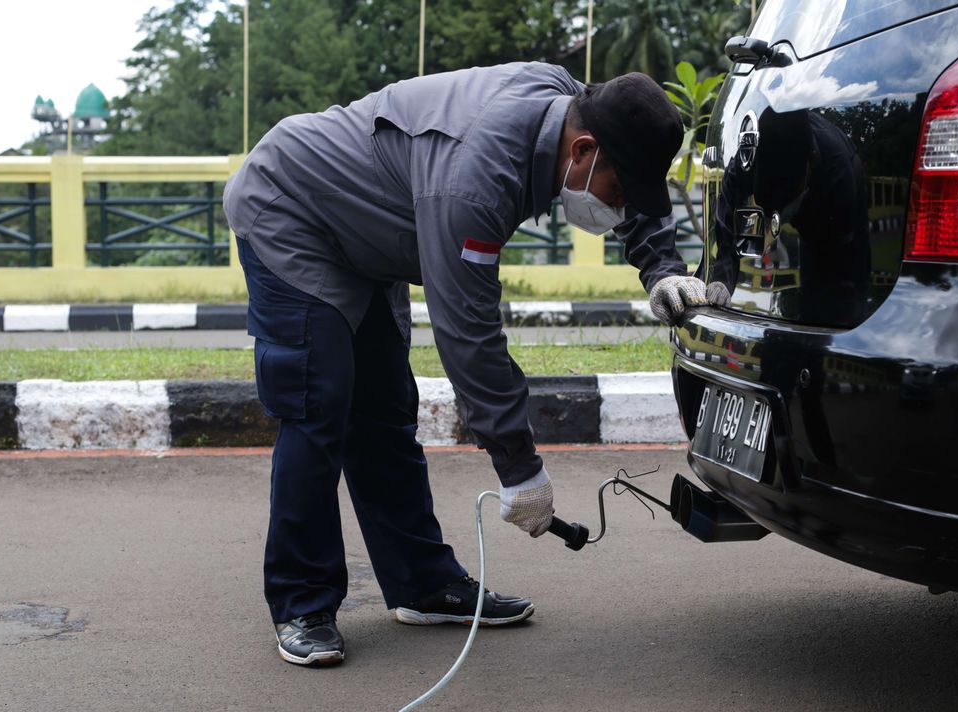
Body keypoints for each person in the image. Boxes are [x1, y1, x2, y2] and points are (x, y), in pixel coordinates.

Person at [223, 62, 708, 667]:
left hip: (369, 235)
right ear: (581, 151)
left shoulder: (573, 105)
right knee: (319, 404)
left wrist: (662, 266)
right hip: (292, 208)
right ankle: (301, 602)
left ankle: (421, 583)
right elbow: (467, 332)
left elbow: (627, 167)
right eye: (617, 190)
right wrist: (518, 466)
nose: (617, 206)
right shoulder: (474, 180)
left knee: (384, 410)